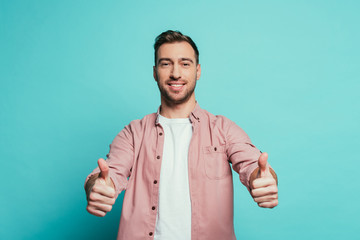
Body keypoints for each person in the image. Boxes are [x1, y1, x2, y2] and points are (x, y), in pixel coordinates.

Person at [84, 30, 278, 240]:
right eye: (166, 63)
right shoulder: (133, 133)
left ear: (198, 70)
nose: (176, 73)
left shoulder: (224, 129)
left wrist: (262, 179)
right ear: (155, 72)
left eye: (185, 63)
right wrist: (98, 186)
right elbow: (111, 172)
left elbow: (252, 165)